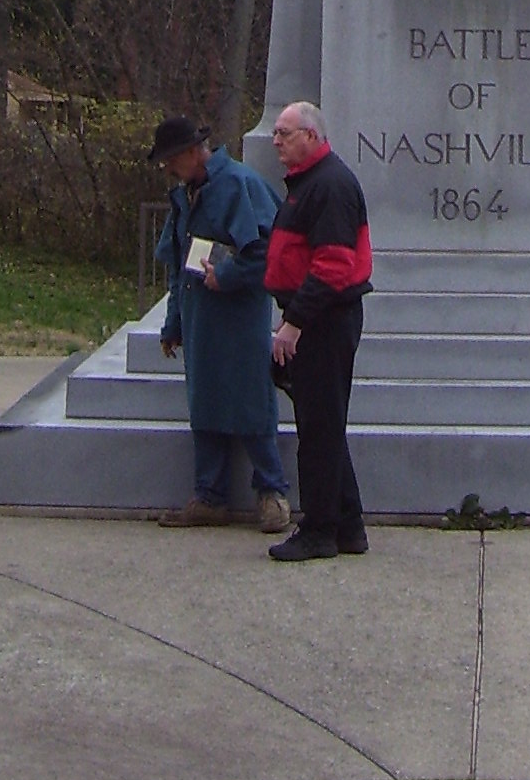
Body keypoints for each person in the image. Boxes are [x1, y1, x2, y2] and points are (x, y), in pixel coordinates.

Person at [149, 114, 288, 534]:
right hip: (199, 320)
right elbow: (178, 267)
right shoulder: (185, 195)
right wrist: (173, 323)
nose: (168, 170)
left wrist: (225, 277)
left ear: (193, 153)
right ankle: (209, 495)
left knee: (251, 400)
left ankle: (272, 493)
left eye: (172, 160)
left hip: (239, 319)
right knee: (204, 401)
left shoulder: (240, 185)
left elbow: (270, 253)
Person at [264, 100, 371, 561]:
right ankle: (348, 527)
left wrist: (293, 324)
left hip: (325, 320)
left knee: (319, 430)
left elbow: (332, 265)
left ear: (311, 135)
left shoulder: (329, 185)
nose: (275, 141)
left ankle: (319, 531)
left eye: (284, 133)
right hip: (317, 317)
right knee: (323, 425)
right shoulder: (309, 184)